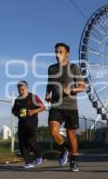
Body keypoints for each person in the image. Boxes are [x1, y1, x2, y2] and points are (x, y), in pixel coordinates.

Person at [45, 43, 86, 172]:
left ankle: (73, 161)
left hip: (71, 107)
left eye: (61, 52)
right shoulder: (51, 68)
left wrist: (71, 89)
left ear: (67, 53)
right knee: (52, 130)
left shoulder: (73, 68)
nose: (58, 54)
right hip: (56, 105)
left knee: (71, 135)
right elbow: (49, 83)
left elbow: (83, 86)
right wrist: (47, 94)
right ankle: (64, 148)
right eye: (56, 52)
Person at [12, 81, 46, 169]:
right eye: (19, 90)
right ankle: (28, 162)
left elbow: (43, 107)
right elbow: (14, 110)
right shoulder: (17, 99)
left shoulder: (33, 97)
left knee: (30, 140)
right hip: (22, 122)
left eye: (22, 90)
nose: (20, 92)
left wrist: (33, 111)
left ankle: (38, 155)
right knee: (22, 143)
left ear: (26, 88)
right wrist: (17, 114)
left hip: (32, 121)